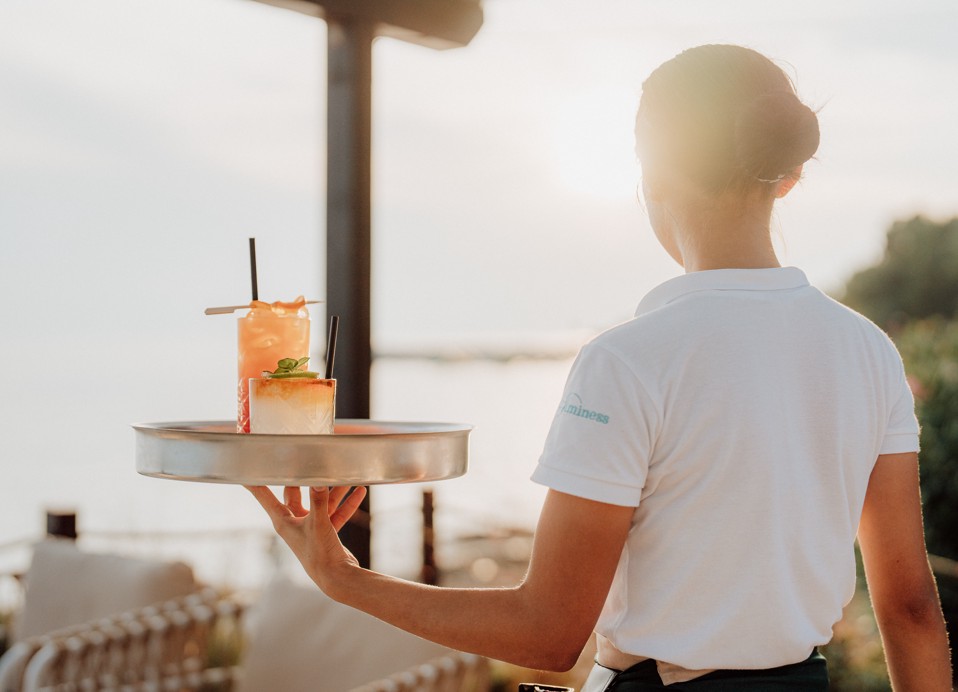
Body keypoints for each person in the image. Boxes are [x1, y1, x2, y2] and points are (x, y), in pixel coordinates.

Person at [248, 44, 952, 690]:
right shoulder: (867, 352)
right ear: (788, 175)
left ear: (652, 172)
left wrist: (343, 579)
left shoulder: (628, 360)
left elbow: (550, 633)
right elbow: (912, 606)